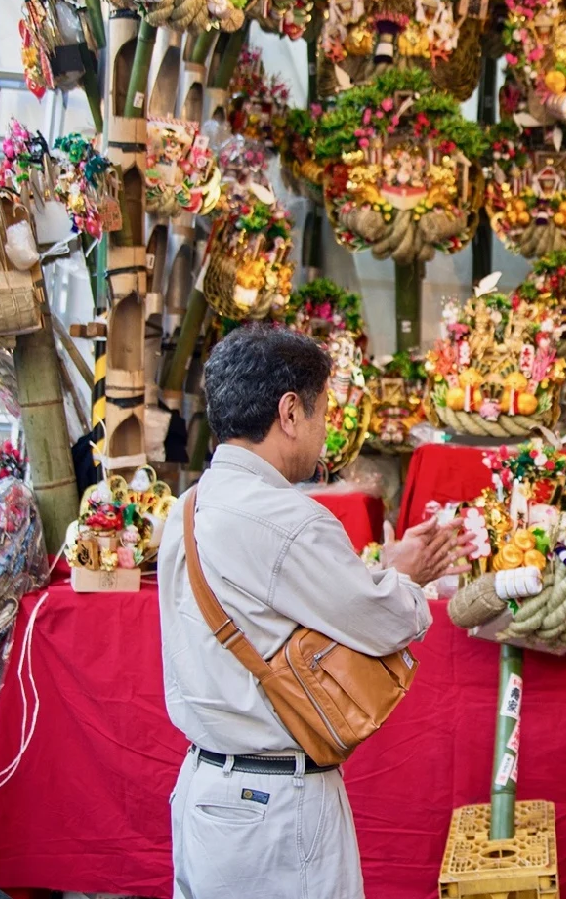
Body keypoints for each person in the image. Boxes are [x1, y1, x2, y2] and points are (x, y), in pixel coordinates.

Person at [157, 324, 464, 899]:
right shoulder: (288, 519)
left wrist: (383, 565)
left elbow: (279, 602)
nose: (324, 435)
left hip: (205, 790)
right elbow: (385, 620)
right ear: (290, 412)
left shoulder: (188, 507)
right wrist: (405, 578)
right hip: (275, 807)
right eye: (323, 414)